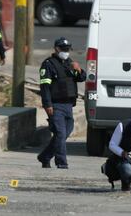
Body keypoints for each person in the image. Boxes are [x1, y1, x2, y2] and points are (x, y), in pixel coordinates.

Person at [37, 37, 86, 169]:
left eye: (68, 49)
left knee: (65, 133)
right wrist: (47, 105)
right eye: (63, 49)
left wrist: (78, 69)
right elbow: (45, 87)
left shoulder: (69, 63)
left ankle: (45, 156)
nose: (66, 51)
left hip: (69, 105)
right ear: (56, 49)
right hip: (56, 105)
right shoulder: (48, 64)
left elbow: (82, 78)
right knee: (60, 134)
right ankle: (61, 162)